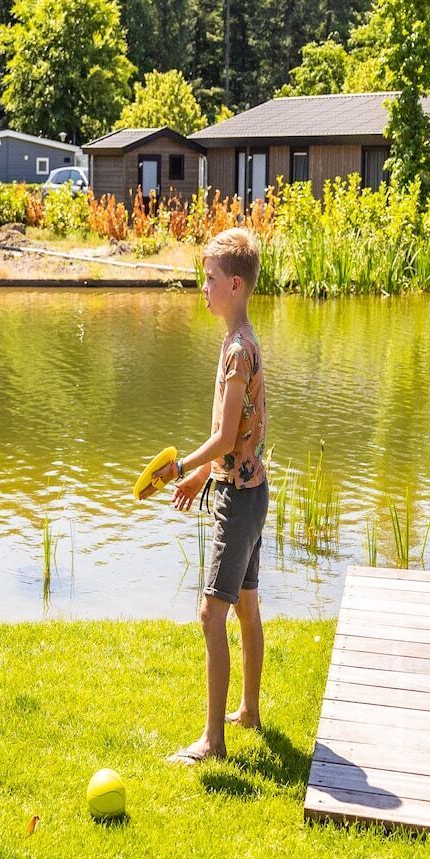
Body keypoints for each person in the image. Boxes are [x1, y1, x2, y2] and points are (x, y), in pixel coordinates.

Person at [149, 227, 269, 765]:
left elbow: (223, 437)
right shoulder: (239, 340)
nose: (204, 286)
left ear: (235, 285)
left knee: (210, 615)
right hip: (250, 490)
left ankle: (213, 742)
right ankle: (249, 711)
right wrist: (203, 476)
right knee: (246, 606)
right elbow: (238, 435)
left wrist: (182, 466)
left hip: (238, 501)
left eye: (211, 278)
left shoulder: (237, 352)